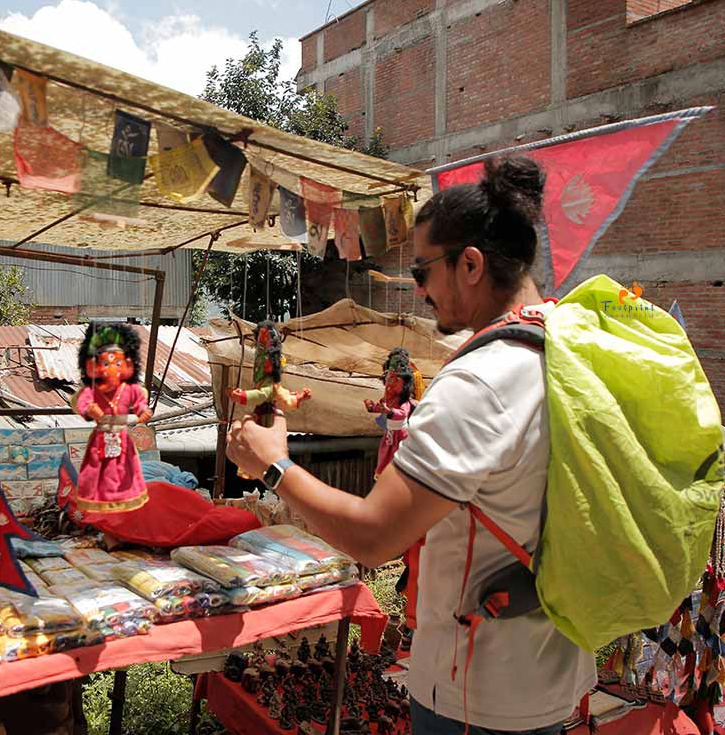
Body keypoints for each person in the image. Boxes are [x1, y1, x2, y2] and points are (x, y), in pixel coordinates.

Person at [226, 155, 596, 735]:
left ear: (469, 264)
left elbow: (374, 538)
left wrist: (273, 465)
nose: (417, 289)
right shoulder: (571, 347)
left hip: (476, 696)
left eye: (422, 271)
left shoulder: (480, 383)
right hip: (555, 674)